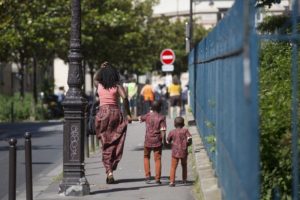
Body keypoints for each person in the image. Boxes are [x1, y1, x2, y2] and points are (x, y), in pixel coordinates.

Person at [94, 61, 132, 184]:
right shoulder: (117, 86)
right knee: (117, 140)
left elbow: (95, 77)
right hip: (115, 113)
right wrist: (128, 113)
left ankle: (109, 170)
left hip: (102, 114)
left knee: (105, 143)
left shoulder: (99, 85)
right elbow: (125, 98)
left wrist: (100, 69)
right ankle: (113, 163)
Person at [133, 100, 167, 184]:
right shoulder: (161, 117)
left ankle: (147, 176)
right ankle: (157, 179)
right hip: (157, 141)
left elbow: (138, 118)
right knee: (157, 159)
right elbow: (163, 130)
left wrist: (129, 118)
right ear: (160, 108)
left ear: (151, 108)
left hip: (147, 140)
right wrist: (165, 142)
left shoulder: (147, 116)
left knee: (146, 157)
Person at [167, 116, 192, 187]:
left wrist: (167, 141)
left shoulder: (172, 132)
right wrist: (188, 143)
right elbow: (189, 139)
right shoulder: (185, 131)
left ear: (174, 124)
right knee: (184, 165)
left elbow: (168, 140)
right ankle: (184, 180)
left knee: (173, 167)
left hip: (175, 152)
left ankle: (172, 181)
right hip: (184, 151)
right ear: (183, 124)